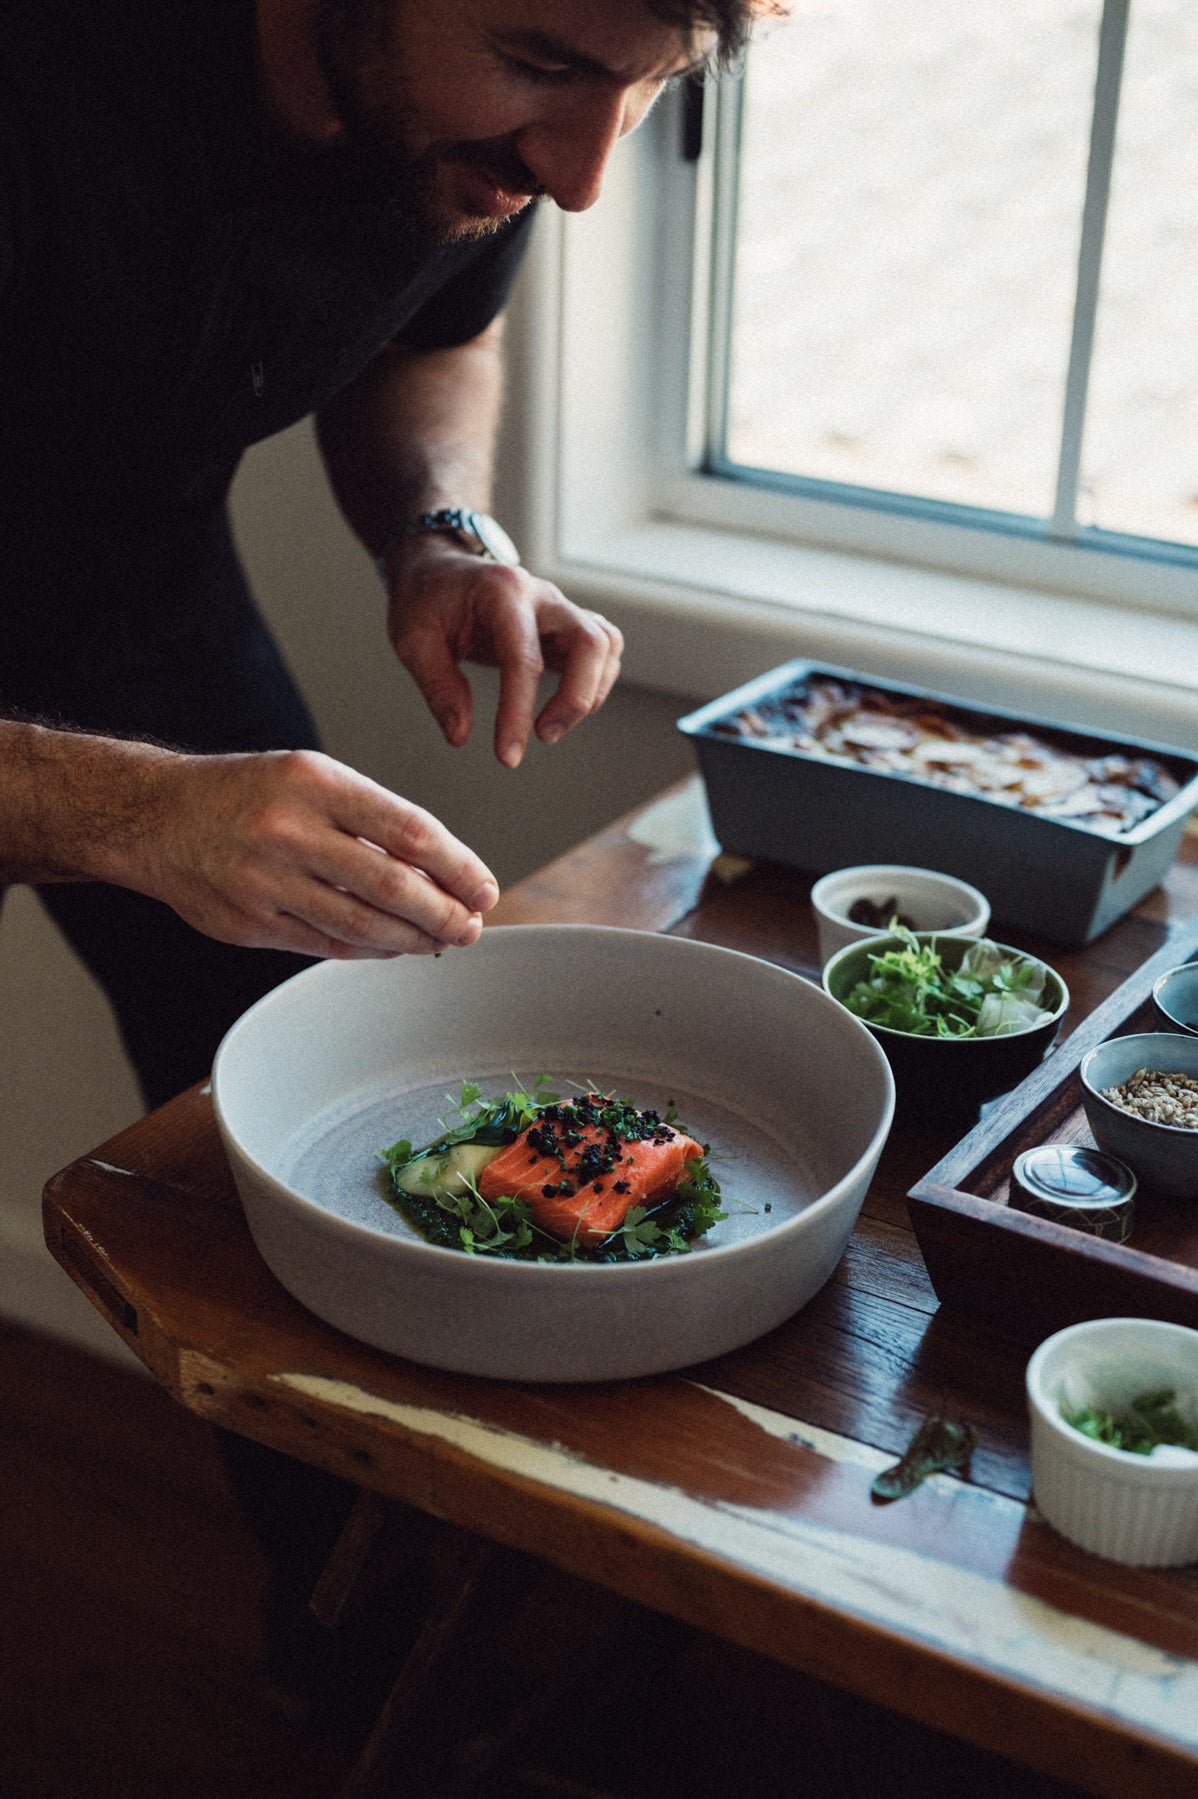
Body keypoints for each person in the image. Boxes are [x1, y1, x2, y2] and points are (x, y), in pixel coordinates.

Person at [0, 0, 760, 1110]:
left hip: (143, 588)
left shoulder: (490, 142)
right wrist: (134, 809)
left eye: (645, 90)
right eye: (538, 64)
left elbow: (436, 335)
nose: (580, 174)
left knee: (286, 1070)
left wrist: (437, 531)